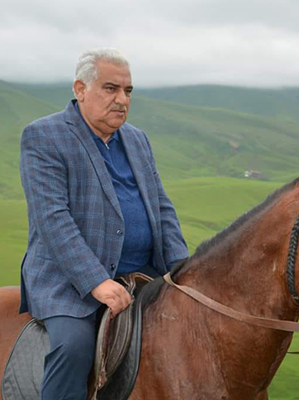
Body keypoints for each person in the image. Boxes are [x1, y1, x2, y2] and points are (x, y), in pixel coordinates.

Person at [18, 48, 188, 400]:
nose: (122, 100)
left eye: (128, 91)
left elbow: (161, 208)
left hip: (143, 273)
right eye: (111, 89)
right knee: (73, 347)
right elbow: (52, 219)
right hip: (69, 283)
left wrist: (183, 268)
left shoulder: (137, 139)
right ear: (80, 89)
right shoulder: (44, 136)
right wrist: (96, 281)